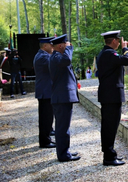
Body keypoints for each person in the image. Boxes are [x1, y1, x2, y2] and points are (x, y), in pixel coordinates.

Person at [97, 30, 128, 166]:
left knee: (108, 126)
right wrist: (125, 48)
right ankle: (109, 156)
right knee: (110, 126)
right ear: (113, 41)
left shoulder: (104, 53)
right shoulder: (109, 54)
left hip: (109, 95)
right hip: (111, 96)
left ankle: (109, 153)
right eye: (118, 40)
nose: (119, 42)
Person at [49, 34, 81, 162]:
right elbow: (67, 60)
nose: (68, 46)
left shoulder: (58, 57)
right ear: (61, 45)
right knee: (62, 128)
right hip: (61, 98)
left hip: (63, 97)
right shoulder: (57, 57)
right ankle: (63, 155)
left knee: (64, 127)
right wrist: (69, 49)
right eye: (66, 44)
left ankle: (65, 151)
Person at [33, 37, 55, 149]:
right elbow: (54, 64)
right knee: (45, 118)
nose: (53, 48)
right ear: (45, 46)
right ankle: (45, 141)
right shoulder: (43, 57)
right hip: (45, 92)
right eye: (51, 45)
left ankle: (46, 139)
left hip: (45, 91)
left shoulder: (42, 55)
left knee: (47, 117)